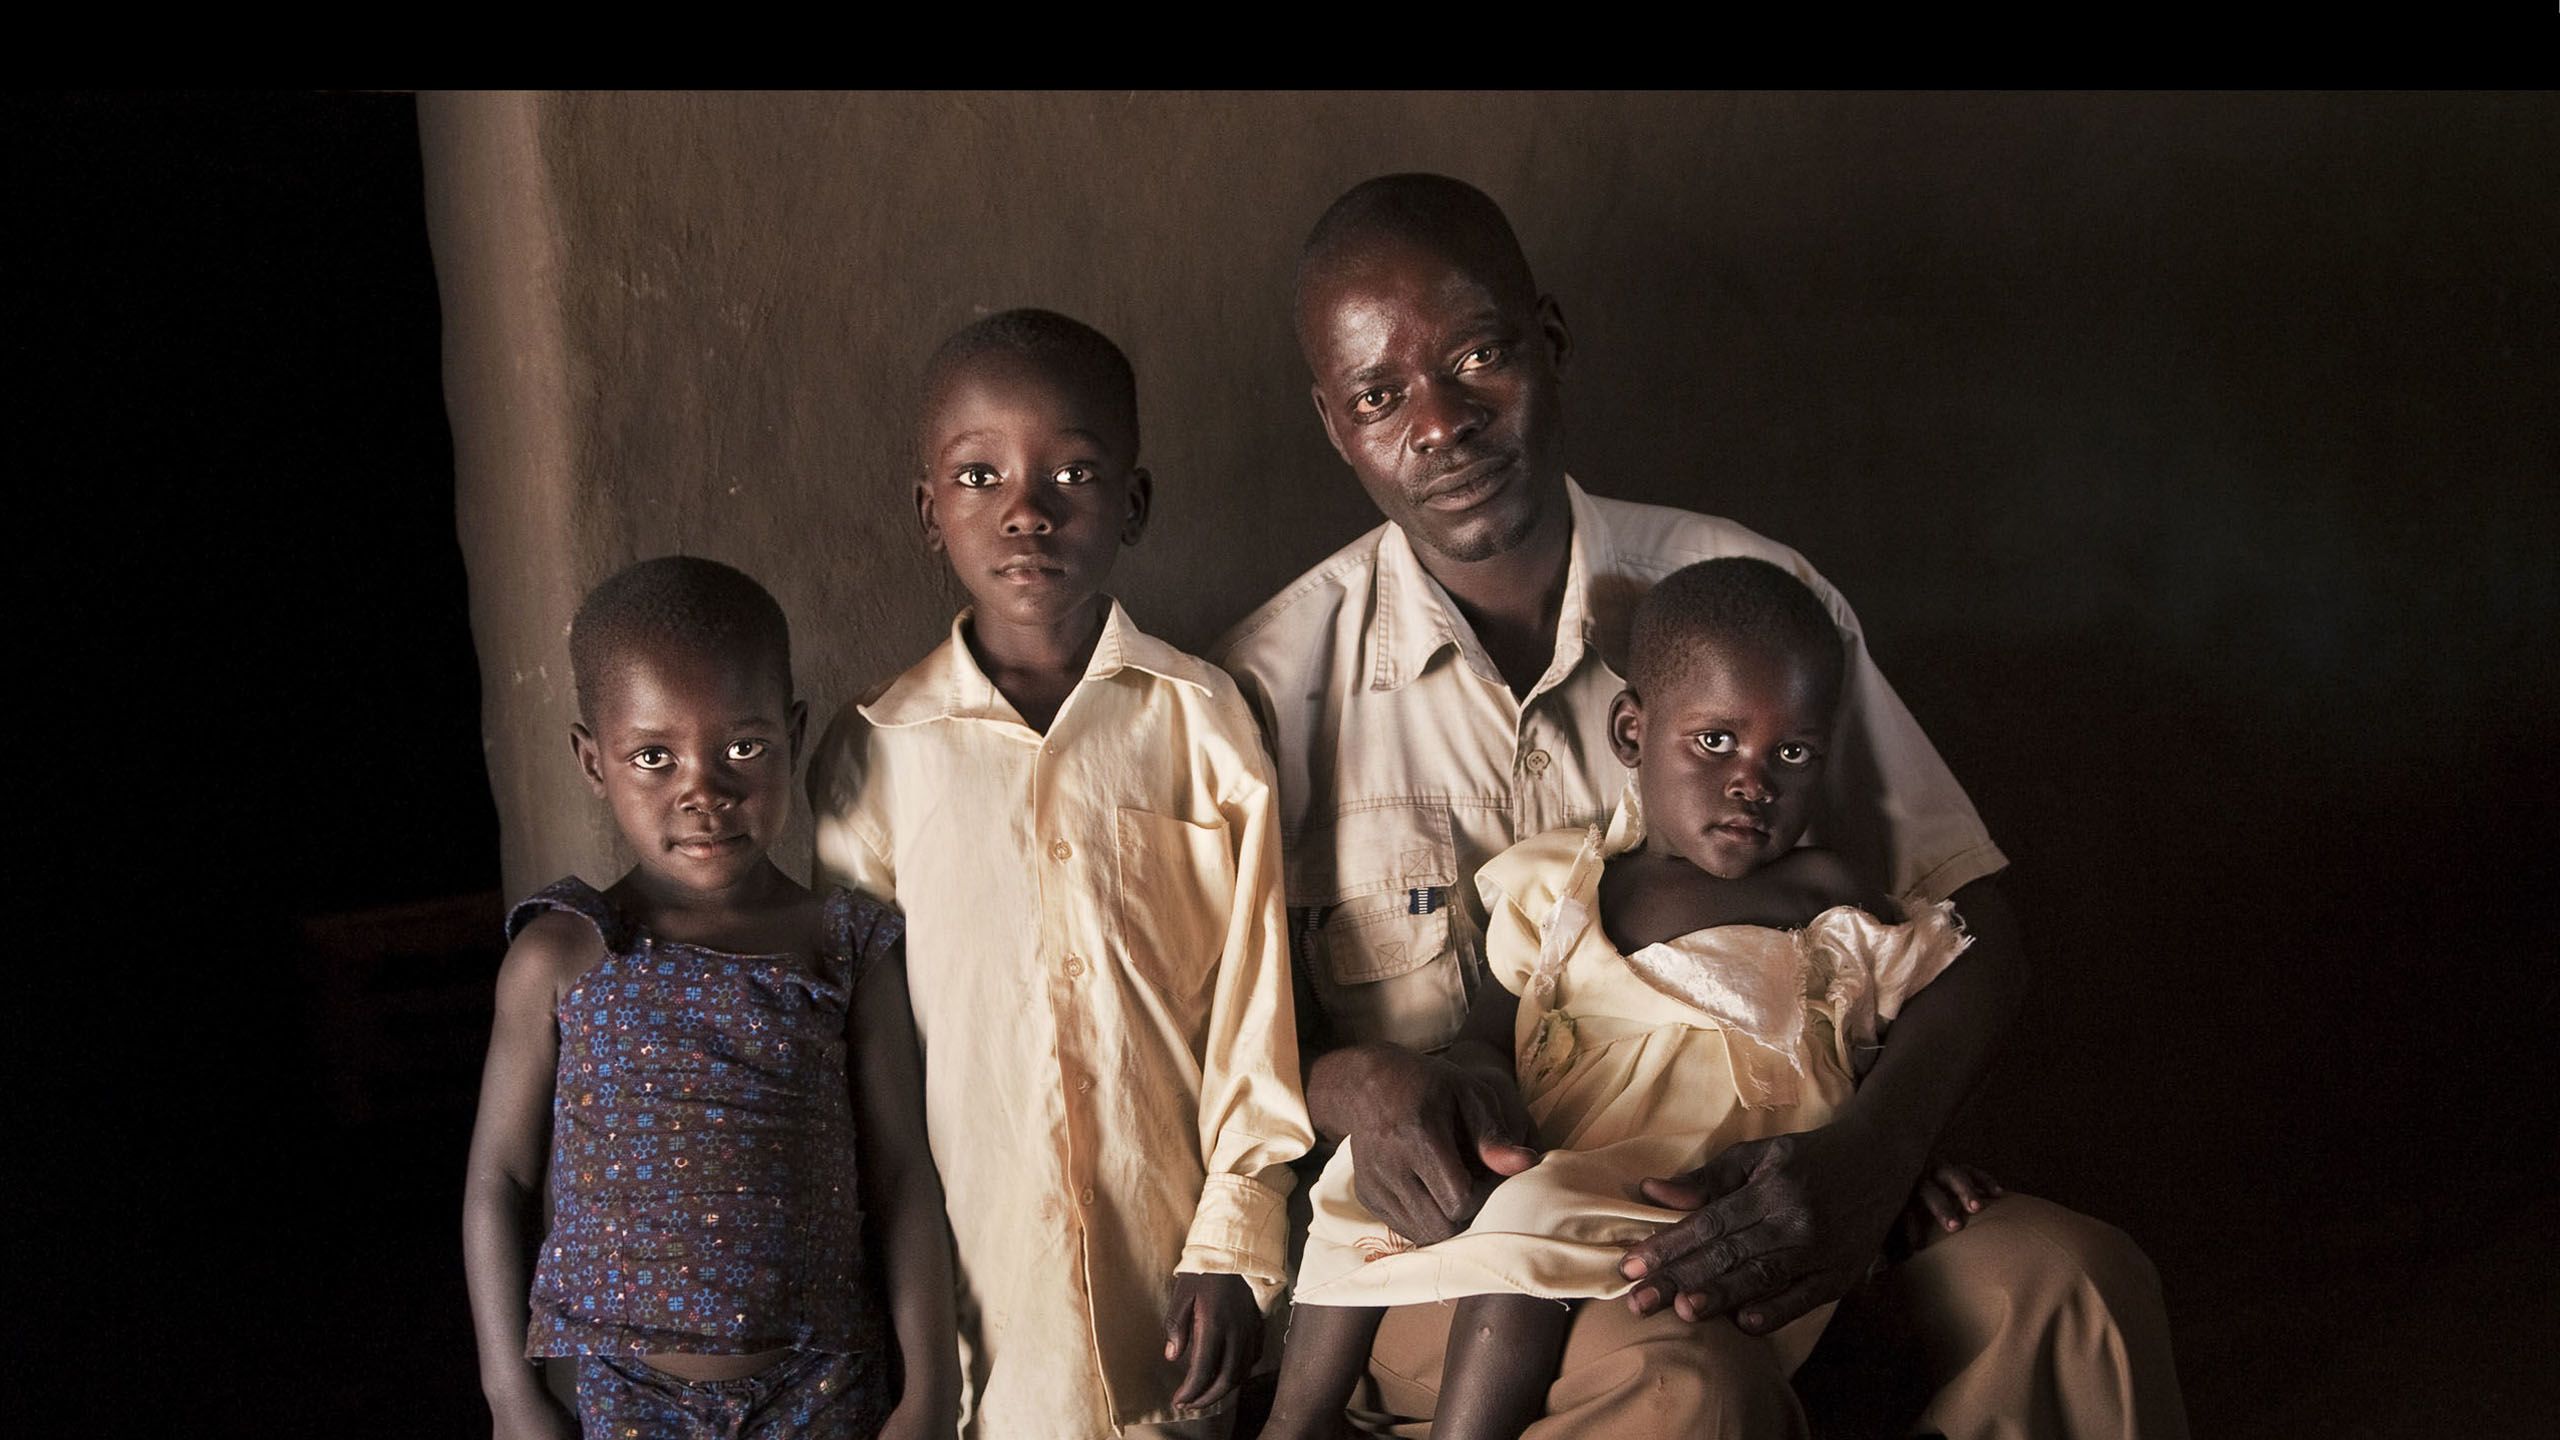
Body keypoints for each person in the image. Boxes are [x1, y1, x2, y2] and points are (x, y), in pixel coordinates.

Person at [1215, 174, 2187, 1436]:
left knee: (2073, 1288)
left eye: (1479, 356)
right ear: (1335, 426)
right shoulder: (1261, 693)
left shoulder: (1745, 597)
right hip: (1469, 1259)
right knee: (1690, 1382)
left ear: (1548, 344)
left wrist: (1868, 1159)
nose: (1441, 424)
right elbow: (1198, 1048)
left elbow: (1971, 927)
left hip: (1772, 1190)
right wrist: (1354, 1085)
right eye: (1379, 396)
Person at [1259, 558, 2000, 1440]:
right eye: (1716, 742)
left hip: (1691, 1194)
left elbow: (1899, 1024)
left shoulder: (1834, 902)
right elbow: (1489, 1033)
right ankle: (1292, 1424)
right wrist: (1464, 1083)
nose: (1752, 782)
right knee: (1380, 1176)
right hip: (1560, 1154)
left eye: (1790, 754)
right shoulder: (1569, 881)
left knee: (1536, 1222)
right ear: (1631, 732)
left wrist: (1900, 1152)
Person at [808, 309, 1314, 1438]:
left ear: (1132, 503)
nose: (1027, 509)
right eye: (978, 475)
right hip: (980, 1327)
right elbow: (862, 1061)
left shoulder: (1204, 724)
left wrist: (1233, 1240)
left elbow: (1254, 1004)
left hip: (1175, 1302)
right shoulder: (875, 755)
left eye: (1073, 472)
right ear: (926, 510)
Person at [462, 556, 956, 1440]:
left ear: (794, 736)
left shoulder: (843, 947)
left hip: (825, 1387)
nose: (704, 790)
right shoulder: (563, 955)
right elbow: (497, 1180)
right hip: (624, 1397)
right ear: (592, 760)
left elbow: (903, 1177)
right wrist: (509, 1394)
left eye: (743, 747)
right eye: (654, 757)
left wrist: (930, 1393)